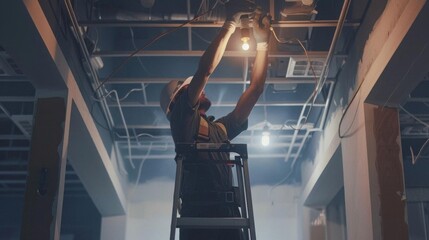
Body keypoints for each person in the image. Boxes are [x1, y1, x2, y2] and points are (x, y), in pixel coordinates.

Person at [159, 1, 271, 239]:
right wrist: (229, 25)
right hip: (200, 224)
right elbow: (205, 71)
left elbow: (256, 90)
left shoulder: (218, 129)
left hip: (228, 218)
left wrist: (263, 44)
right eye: (191, 88)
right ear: (178, 99)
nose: (200, 89)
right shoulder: (182, 123)